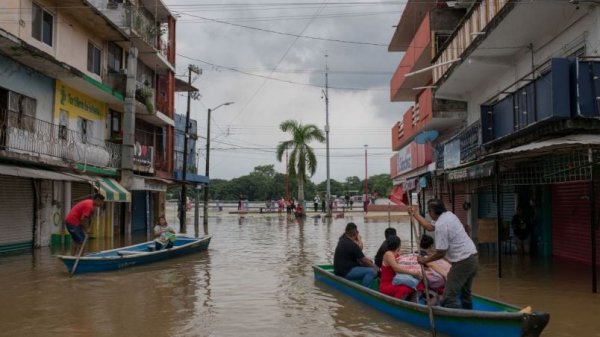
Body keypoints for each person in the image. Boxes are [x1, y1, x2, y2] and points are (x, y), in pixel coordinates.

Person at [408, 198, 478, 309]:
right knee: (465, 293)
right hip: (473, 259)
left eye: (428, 212)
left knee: (449, 296)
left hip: (463, 262)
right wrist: (414, 214)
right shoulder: (449, 215)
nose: (429, 214)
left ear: (432, 211)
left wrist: (425, 260)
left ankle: (456, 321)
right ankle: (469, 315)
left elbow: (441, 253)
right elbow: (429, 226)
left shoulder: (441, 226)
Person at [333, 222, 378, 287]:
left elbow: (358, 252)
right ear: (356, 233)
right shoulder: (352, 244)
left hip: (339, 270)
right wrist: (375, 267)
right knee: (371, 271)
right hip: (345, 272)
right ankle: (364, 291)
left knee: (369, 263)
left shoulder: (342, 239)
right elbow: (363, 259)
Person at [379, 235, 422, 300]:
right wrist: (413, 273)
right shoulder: (388, 254)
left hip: (397, 280)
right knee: (404, 289)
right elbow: (396, 268)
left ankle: (415, 302)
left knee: (420, 285)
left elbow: (405, 265)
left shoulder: (397, 254)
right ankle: (399, 304)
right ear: (399, 245)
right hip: (388, 284)